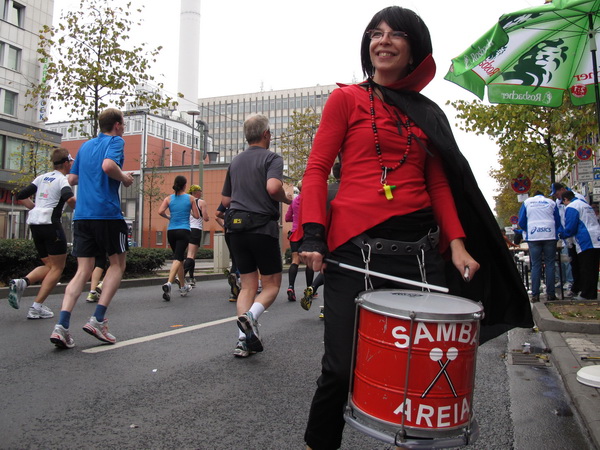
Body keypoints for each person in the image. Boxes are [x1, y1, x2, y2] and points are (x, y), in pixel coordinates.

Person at [295, 7, 532, 449]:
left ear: (414, 50)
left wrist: (458, 245)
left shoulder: (426, 113)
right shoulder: (345, 99)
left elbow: (439, 184)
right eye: (375, 33)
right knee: (341, 369)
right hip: (354, 253)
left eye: (395, 34)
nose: (382, 41)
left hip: (420, 258)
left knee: (421, 372)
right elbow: (316, 169)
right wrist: (312, 233)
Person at [50, 108, 134, 349]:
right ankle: (97, 320)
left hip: (82, 215)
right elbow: (108, 166)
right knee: (117, 264)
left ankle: (61, 326)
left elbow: (72, 179)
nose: (124, 127)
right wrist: (124, 177)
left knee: (83, 270)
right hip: (106, 213)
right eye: (123, 123)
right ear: (116, 125)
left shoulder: (85, 146)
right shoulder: (116, 141)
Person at [221, 113, 292, 358]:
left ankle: (243, 341)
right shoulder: (272, 158)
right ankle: (251, 317)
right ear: (266, 134)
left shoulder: (235, 161)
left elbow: (225, 201)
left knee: (248, 286)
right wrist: (285, 198)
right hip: (261, 227)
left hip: (235, 229)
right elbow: (273, 188)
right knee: (271, 285)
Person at [8, 148, 76, 318]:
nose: (71, 165)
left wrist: (35, 208)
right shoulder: (62, 180)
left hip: (35, 225)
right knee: (58, 268)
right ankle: (36, 307)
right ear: (66, 163)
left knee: (50, 266)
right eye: (70, 162)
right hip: (51, 226)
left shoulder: (42, 177)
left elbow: (21, 195)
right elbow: (69, 198)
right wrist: (83, 210)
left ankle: (22, 282)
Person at [158, 175, 200, 301]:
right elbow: (197, 216)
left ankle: (183, 287)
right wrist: (189, 210)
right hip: (184, 231)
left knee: (180, 259)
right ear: (185, 185)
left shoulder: (168, 198)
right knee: (177, 258)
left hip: (171, 231)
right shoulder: (190, 198)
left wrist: (168, 217)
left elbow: (160, 212)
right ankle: (169, 283)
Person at [518, 191, 561, 302]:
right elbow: (558, 220)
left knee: (535, 265)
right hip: (549, 235)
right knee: (550, 264)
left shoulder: (527, 202)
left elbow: (521, 221)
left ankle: (535, 295)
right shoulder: (551, 202)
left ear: (534, 195)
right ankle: (551, 294)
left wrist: (529, 229)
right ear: (543, 195)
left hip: (534, 236)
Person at [560, 190, 600, 300]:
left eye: (563, 202)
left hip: (585, 240)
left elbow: (571, 227)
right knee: (593, 268)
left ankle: (586, 294)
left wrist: (561, 234)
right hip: (596, 238)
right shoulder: (585, 204)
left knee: (585, 268)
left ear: (565, 199)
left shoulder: (572, 206)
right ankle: (592, 293)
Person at [551, 182, 584, 296]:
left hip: (577, 235)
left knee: (578, 262)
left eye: (556, 194)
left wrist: (567, 232)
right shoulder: (558, 201)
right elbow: (559, 219)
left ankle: (576, 284)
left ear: (562, 190)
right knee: (570, 261)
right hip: (567, 236)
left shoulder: (577, 198)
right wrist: (560, 231)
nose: (556, 197)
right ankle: (573, 285)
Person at [285, 183, 314, 303]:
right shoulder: (311, 200)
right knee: (309, 262)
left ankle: (291, 287)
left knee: (295, 260)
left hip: (295, 233)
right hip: (307, 233)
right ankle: (309, 289)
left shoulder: (294, 201)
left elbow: (287, 218)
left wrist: (295, 218)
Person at [183, 185, 209, 287]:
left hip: (185, 229)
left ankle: (191, 278)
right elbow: (205, 218)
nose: (201, 192)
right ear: (196, 192)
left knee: (191, 256)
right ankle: (181, 276)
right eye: (200, 190)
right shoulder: (201, 202)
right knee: (191, 255)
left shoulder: (186, 202)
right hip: (195, 229)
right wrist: (207, 217)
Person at [216, 202, 240, 302]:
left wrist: (227, 218)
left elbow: (218, 214)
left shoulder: (228, 198)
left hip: (229, 230)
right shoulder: (246, 196)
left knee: (234, 258)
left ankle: (233, 291)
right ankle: (240, 281)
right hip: (243, 228)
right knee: (244, 258)